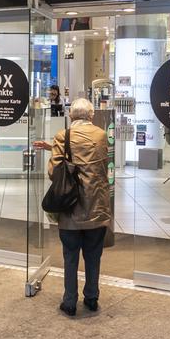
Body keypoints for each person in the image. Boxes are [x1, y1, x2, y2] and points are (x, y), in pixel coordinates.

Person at [34, 98, 111, 316]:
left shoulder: (63, 136)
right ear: (92, 115)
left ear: (70, 115)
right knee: (93, 255)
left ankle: (69, 301)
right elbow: (93, 161)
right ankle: (92, 297)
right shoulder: (101, 135)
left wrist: (53, 150)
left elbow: (54, 172)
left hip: (71, 208)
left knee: (70, 255)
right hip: (97, 206)